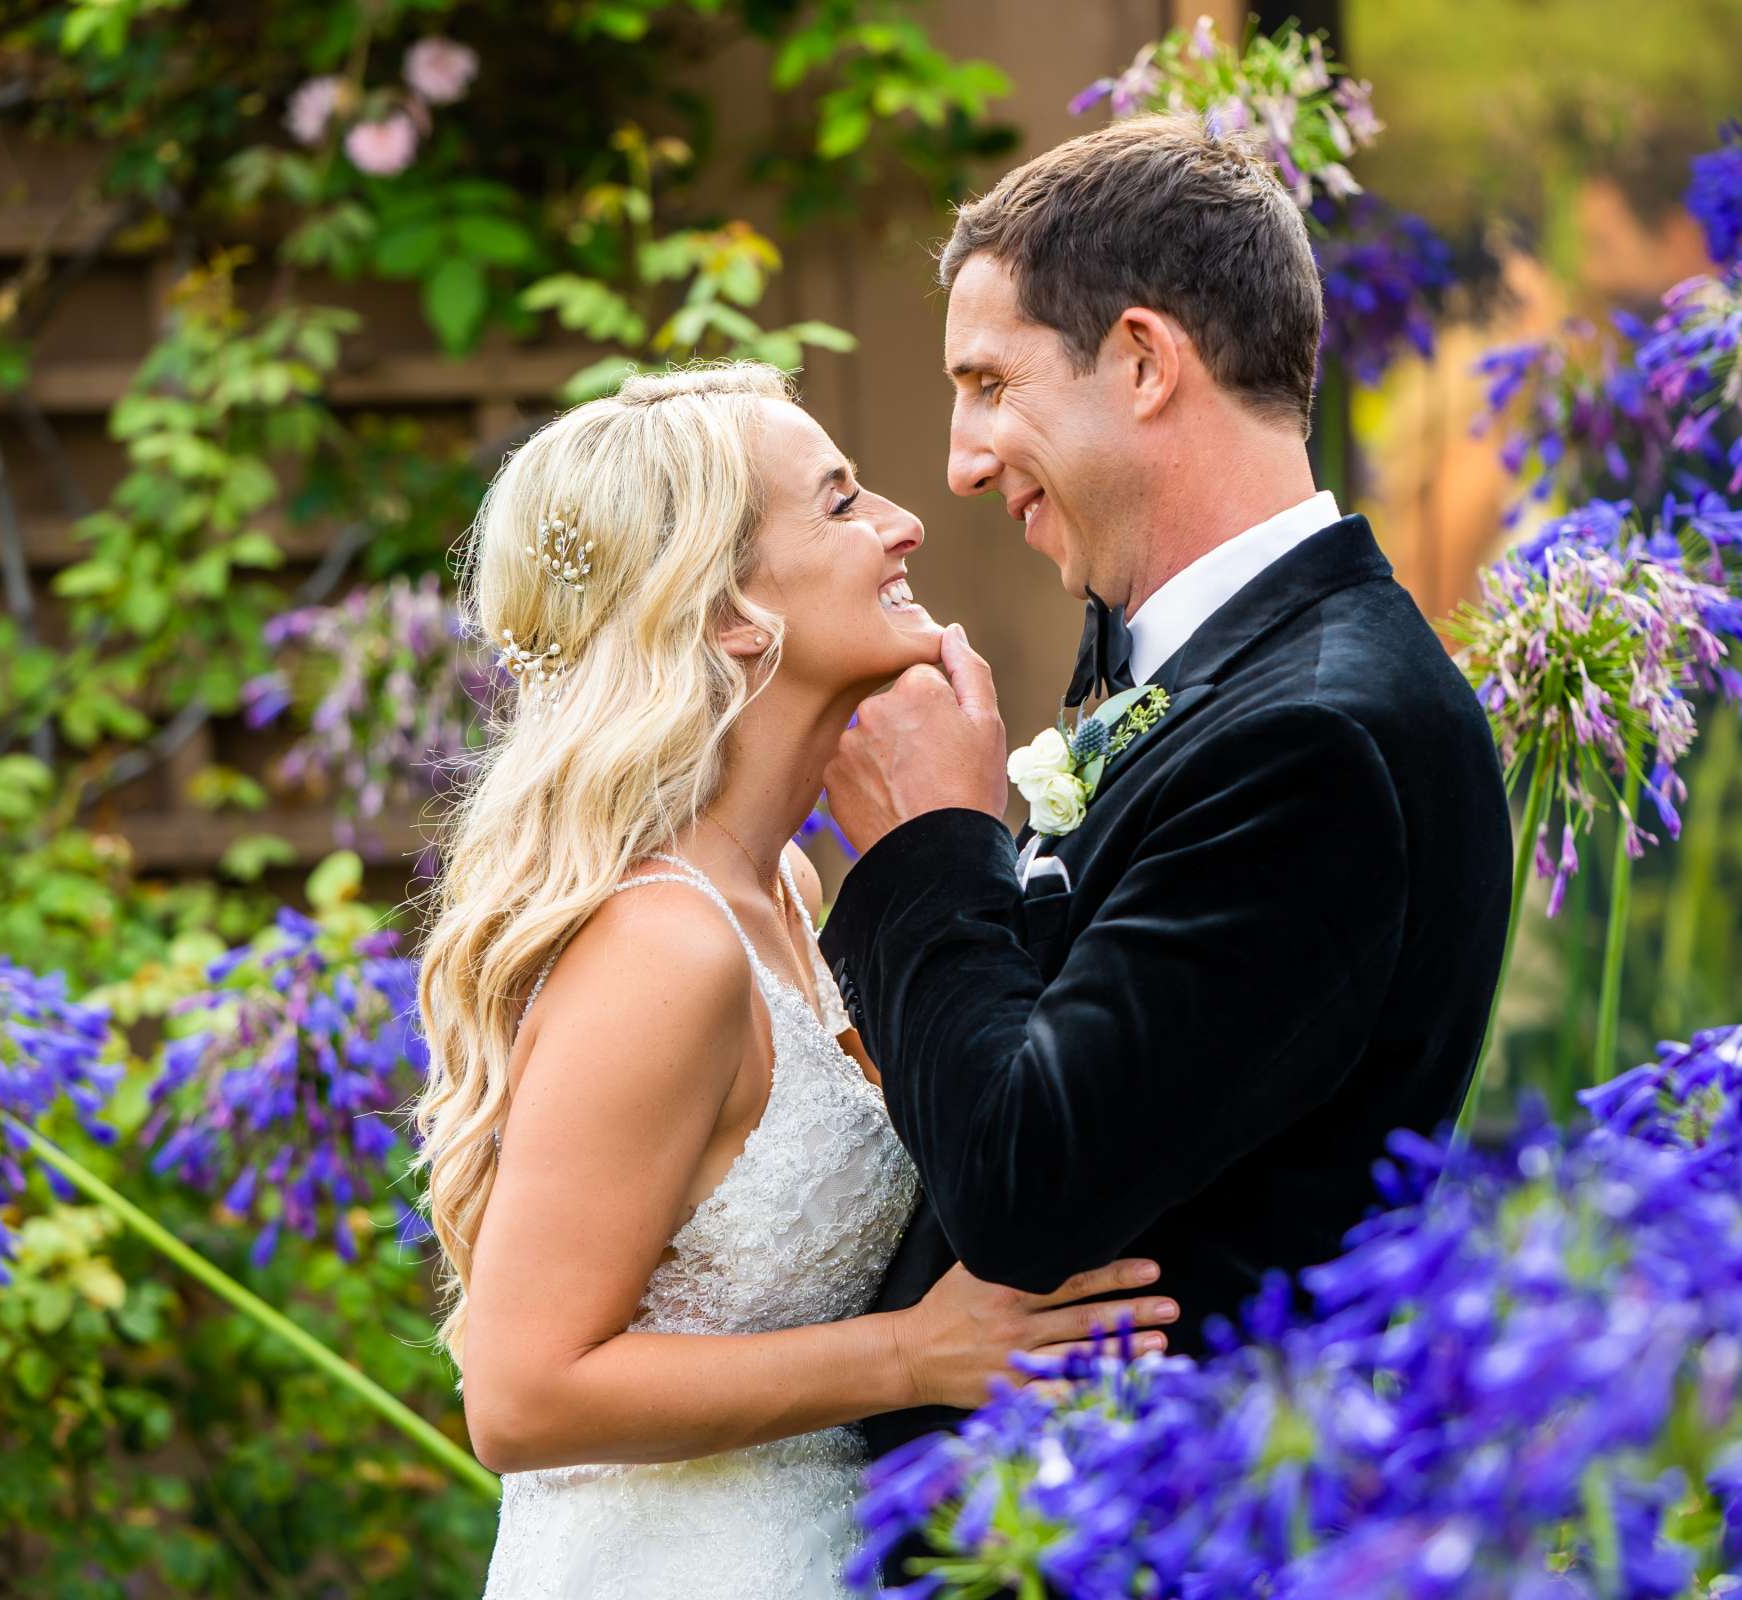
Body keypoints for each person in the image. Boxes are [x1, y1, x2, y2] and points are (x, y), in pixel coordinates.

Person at [817, 113, 1516, 1519]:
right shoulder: (1230, 681)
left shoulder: (1311, 739)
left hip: (1154, 1528)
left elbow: (1031, 1191)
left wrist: (924, 848)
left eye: (991, 384)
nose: (961, 460)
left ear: (1140, 361)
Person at [408, 364, 1178, 1599]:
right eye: (839, 503)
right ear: (727, 612)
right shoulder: (667, 945)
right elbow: (518, 1392)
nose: (903, 521)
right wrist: (915, 1356)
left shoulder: (788, 901)